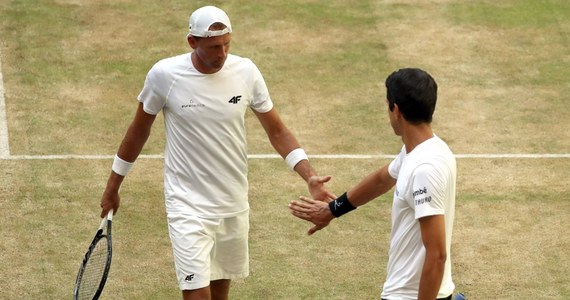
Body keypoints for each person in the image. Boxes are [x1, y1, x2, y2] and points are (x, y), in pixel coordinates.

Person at [99, 5, 334, 300]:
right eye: (213, 46)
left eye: (227, 44)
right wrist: (113, 187)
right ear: (192, 42)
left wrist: (309, 175)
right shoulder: (165, 75)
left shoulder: (246, 72)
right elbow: (138, 132)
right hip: (187, 206)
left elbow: (277, 131)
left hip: (232, 205)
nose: (222, 53)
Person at [289, 68, 457, 300]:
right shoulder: (426, 149)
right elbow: (381, 180)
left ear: (395, 110)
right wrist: (332, 210)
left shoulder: (424, 169)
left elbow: (437, 254)